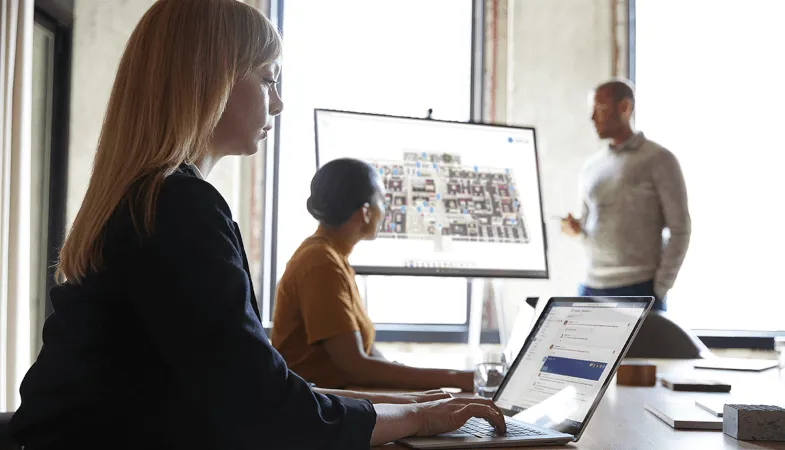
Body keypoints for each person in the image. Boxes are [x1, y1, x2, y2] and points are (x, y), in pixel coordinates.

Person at [7, 1, 505, 449]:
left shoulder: (144, 199)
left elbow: (253, 387)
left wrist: (410, 405)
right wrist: (415, 416)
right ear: (211, 78)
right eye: (269, 78)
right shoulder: (179, 207)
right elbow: (266, 410)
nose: (279, 102)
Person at [271, 158, 476, 392]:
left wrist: (420, 380)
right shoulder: (320, 263)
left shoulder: (331, 256)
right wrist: (455, 378)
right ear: (365, 212)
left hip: (340, 398)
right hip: (317, 408)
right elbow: (356, 365)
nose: (385, 211)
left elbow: (368, 355)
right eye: (383, 202)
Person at [561, 78, 691, 311]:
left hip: (638, 289)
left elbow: (680, 229)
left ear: (624, 108)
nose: (592, 118)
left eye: (599, 109)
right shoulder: (592, 166)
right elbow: (591, 226)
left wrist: (660, 288)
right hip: (592, 287)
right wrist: (577, 230)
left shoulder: (659, 159)